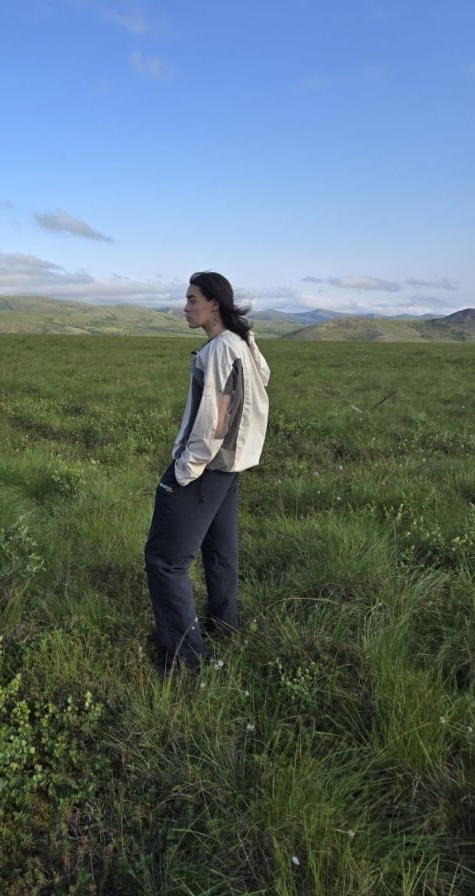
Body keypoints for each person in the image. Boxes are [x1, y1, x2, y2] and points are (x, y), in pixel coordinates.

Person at [144, 271, 270, 674]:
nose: (185, 307)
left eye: (191, 299)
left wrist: (183, 472)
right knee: (220, 553)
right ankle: (223, 630)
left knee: (165, 561)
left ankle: (185, 660)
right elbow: (263, 379)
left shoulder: (219, 349)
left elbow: (214, 423)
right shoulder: (244, 343)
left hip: (207, 468)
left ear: (214, 303)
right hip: (232, 467)